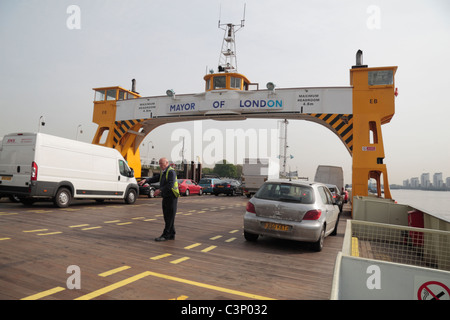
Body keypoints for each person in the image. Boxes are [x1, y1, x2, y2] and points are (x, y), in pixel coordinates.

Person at [139, 158, 180, 241]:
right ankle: (172, 234)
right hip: (166, 196)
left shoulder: (171, 172)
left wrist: (159, 190)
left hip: (171, 197)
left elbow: (170, 184)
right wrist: (145, 180)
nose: (160, 165)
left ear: (167, 163)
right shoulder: (163, 172)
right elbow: (155, 178)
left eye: (161, 163)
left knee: (169, 216)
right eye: (159, 164)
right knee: (167, 216)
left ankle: (166, 235)